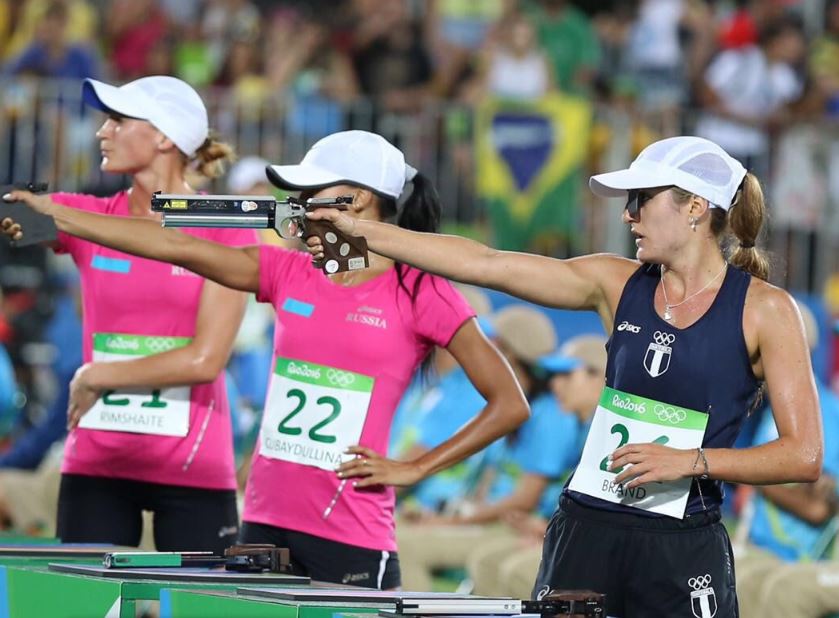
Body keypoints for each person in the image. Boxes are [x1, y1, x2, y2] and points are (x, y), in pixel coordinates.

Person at [303, 135, 823, 615]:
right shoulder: (614, 283)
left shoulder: (767, 311)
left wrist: (692, 460)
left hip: (682, 543)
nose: (627, 215)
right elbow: (484, 262)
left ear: (694, 206)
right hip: (586, 528)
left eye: (641, 199)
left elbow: (804, 455)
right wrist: (364, 232)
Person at [2, 129, 529, 589]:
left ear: (361, 199)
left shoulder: (419, 290)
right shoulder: (290, 272)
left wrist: (415, 468)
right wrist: (62, 217)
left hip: (349, 534)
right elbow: (173, 245)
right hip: (262, 521)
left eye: (309, 194)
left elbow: (509, 404)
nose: (297, 207)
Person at [2, 75, 255, 553]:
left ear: (164, 137)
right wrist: (14, 212)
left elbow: (205, 360)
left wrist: (100, 374)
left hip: (193, 469)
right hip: (98, 466)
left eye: (118, 120)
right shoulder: (87, 217)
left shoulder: (224, 229)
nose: (102, 131)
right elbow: (18, 207)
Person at [467, 334, 607, 599]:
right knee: (490, 563)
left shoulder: (608, 433)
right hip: (565, 536)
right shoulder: (584, 429)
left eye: (567, 376)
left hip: (603, 552)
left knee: (517, 572)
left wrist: (550, 533)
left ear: (600, 378)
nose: (555, 384)